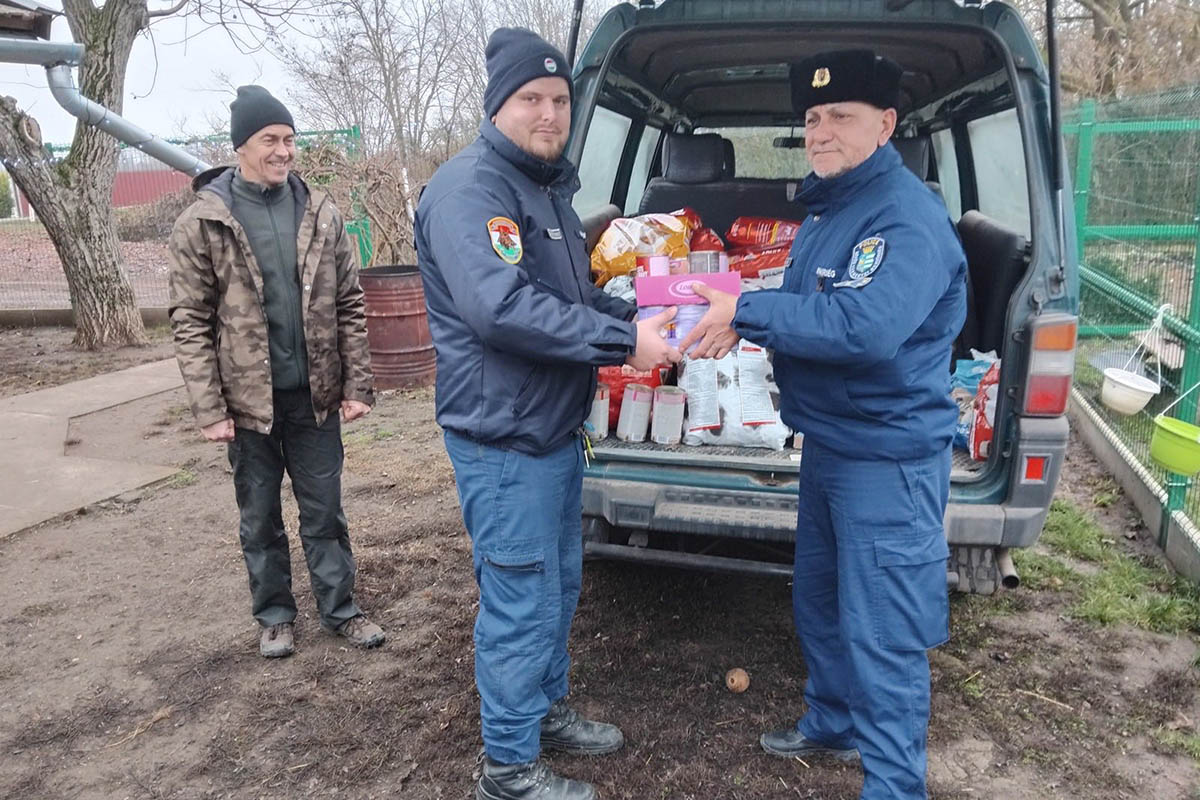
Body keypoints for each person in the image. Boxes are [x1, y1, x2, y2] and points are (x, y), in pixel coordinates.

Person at [680, 49, 967, 800]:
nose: (821, 131)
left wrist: (744, 310)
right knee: (820, 602)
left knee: (884, 635)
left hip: (888, 458)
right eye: (811, 118)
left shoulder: (906, 218)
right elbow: (806, 295)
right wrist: (730, 293)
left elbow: (863, 326)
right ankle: (834, 721)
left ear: (886, 124)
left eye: (840, 115)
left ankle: (894, 787)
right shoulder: (833, 206)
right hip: (833, 446)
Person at [414, 27, 679, 800]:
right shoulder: (472, 191)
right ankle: (506, 767)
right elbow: (501, 310)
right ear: (499, 105)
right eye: (531, 98)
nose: (549, 112)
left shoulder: (543, 188)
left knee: (557, 588)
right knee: (520, 600)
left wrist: (642, 312)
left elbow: (572, 296)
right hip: (503, 440)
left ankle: (543, 713)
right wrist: (622, 339)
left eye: (560, 100)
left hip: (551, 432)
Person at [169, 85, 385, 659]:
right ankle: (274, 616)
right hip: (247, 407)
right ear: (241, 146)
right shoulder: (203, 223)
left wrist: (357, 384)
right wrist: (209, 407)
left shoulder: (320, 212)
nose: (284, 150)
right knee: (259, 516)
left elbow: (349, 303)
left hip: (313, 397)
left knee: (325, 511)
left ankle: (341, 610)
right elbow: (189, 320)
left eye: (289, 139)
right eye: (271, 139)